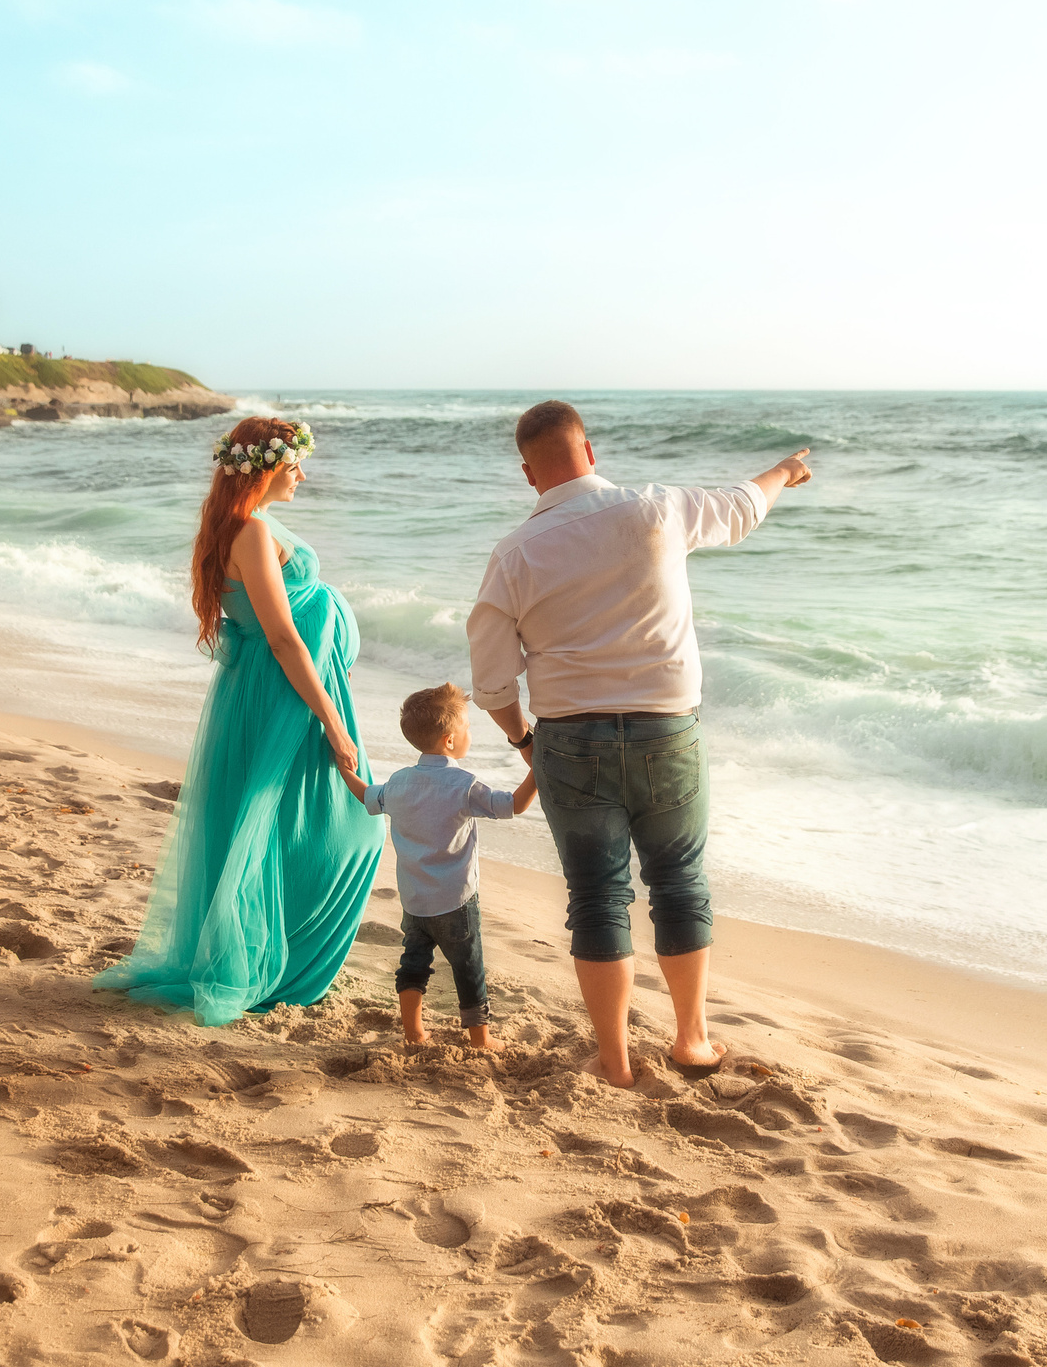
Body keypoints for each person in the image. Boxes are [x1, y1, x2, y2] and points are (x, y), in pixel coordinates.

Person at [467, 400, 813, 1086]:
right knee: (679, 882)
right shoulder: (658, 508)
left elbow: (492, 681)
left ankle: (615, 1060)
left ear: (529, 474)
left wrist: (523, 740)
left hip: (569, 738)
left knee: (597, 895)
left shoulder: (512, 554)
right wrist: (782, 470)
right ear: (590, 451)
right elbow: (743, 507)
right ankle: (691, 1040)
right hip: (667, 730)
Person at [91, 417, 382, 1025]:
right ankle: (277, 962)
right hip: (283, 696)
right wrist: (332, 721)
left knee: (277, 822)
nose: (302, 476)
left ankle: (271, 954)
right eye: (294, 465)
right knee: (342, 826)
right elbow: (281, 637)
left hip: (271, 688)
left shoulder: (240, 523)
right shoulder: (249, 531)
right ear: (264, 469)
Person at [337, 682, 539, 1050]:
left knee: (413, 963)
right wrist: (539, 769)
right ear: (450, 740)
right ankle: (480, 1038)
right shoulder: (464, 785)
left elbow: (366, 795)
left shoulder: (399, 782)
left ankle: (413, 1032)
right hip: (456, 900)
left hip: (414, 900)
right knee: (468, 967)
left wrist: (345, 770)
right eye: (467, 728)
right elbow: (514, 805)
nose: (470, 734)